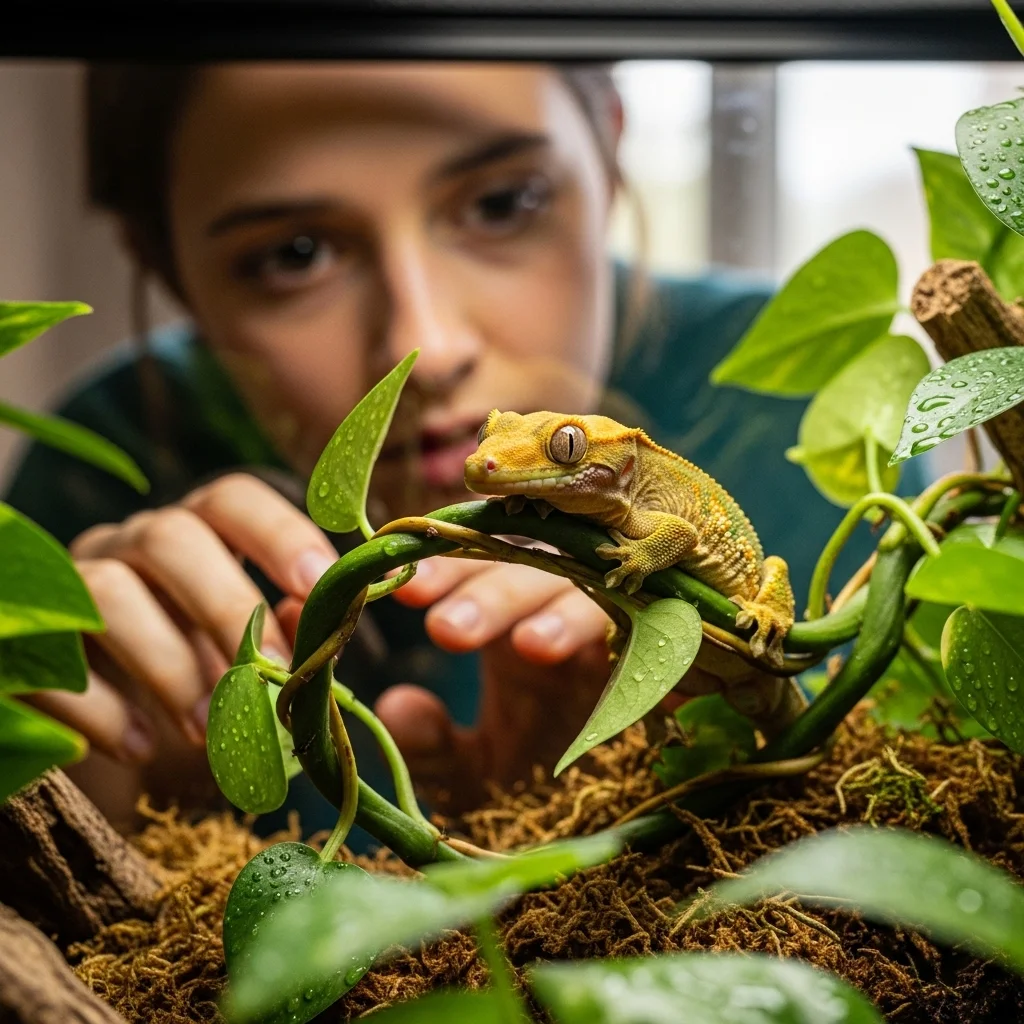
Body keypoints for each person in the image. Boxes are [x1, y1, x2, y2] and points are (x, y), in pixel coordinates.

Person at [4, 62, 896, 836]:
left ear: (612, 150)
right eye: (295, 254)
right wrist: (93, 794)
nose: (424, 348)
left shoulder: (790, 396)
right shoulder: (94, 469)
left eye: (504, 202)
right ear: (167, 272)